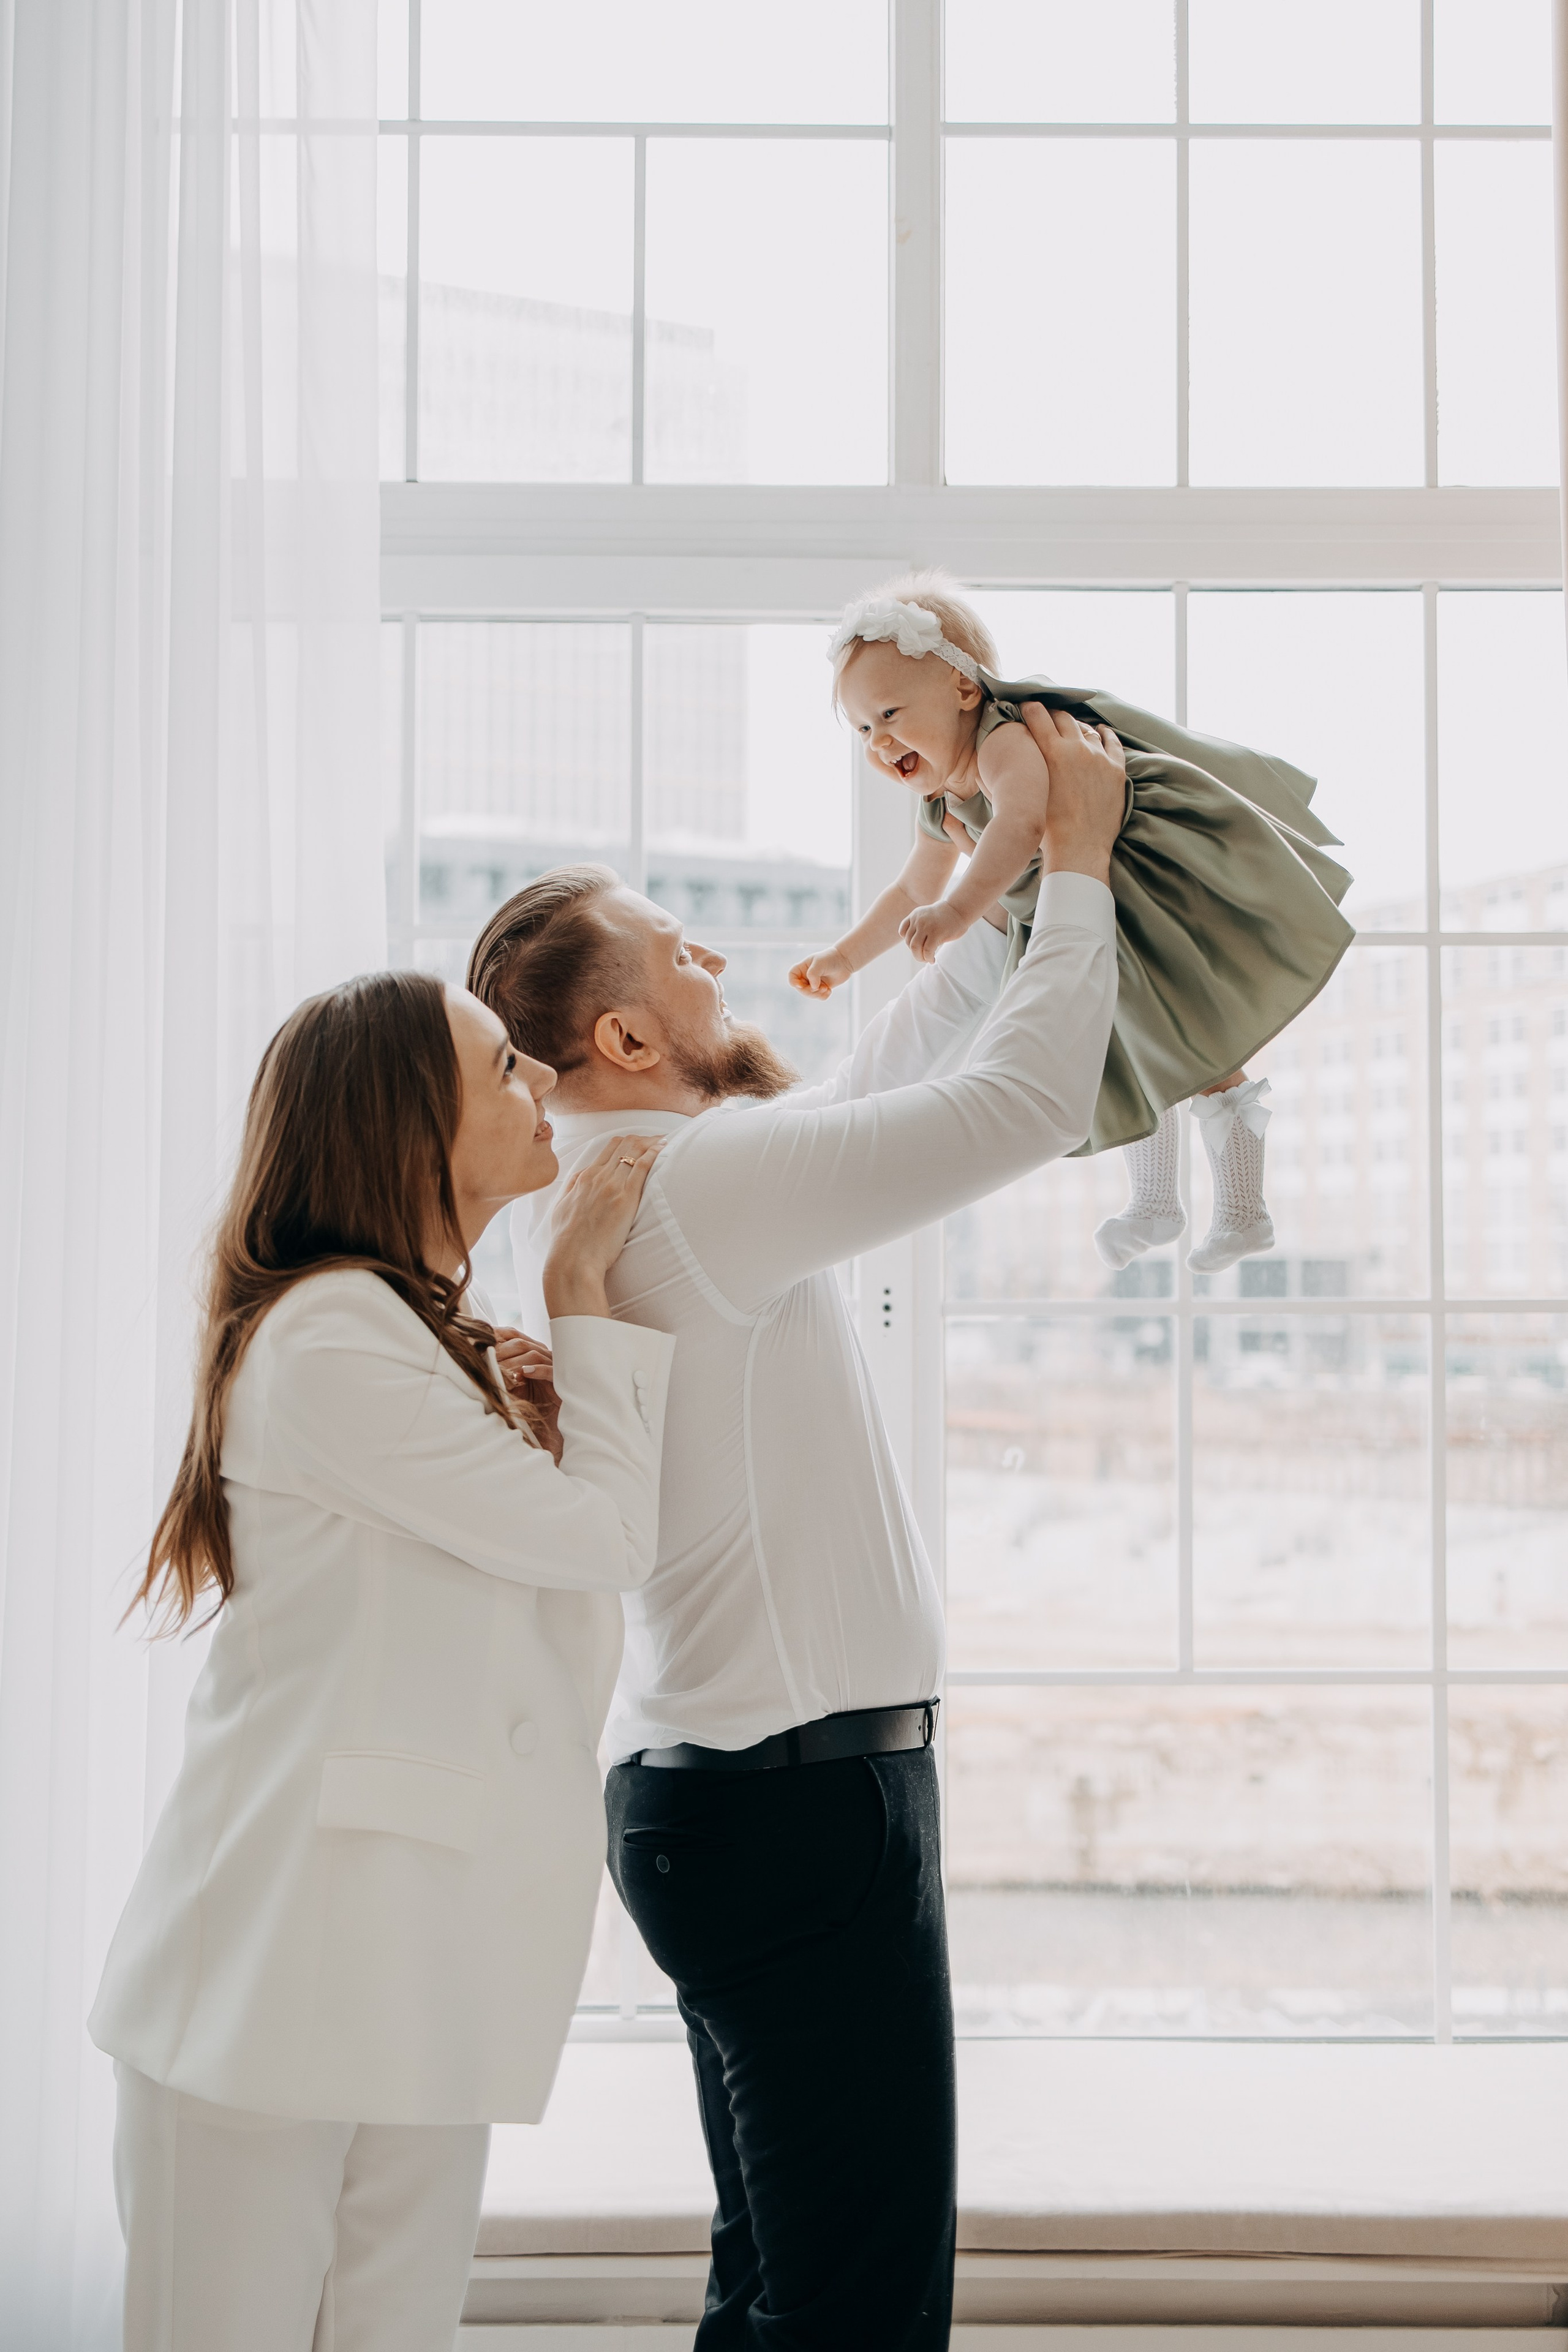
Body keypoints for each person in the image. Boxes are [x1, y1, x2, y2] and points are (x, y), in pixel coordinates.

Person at [466, 706, 1125, 2351]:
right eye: (680, 952)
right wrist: (1090, 862)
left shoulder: (628, 1187)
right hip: (804, 1801)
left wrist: (1005, 882)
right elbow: (1018, 1107)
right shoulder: (696, 1186)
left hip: (730, 1795)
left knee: (778, 2289)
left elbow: (884, 1084)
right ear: (621, 1039)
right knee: (854, 2314)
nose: (715, 960)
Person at [89, 970, 674, 2352]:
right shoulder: (334, 1333)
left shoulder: (399, 1334)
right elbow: (602, 1541)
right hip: (282, 1973)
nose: (537, 1080)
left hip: (410, 1966)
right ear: (410, 1126)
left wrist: (532, 1392)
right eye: (500, 1068)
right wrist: (584, 1290)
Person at [790, 570, 1355, 1275]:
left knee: (1203, 1058)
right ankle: (1155, 1203)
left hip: (1135, 907)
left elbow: (1024, 826)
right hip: (1078, 930)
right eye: (864, 728)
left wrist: (959, 911)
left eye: (891, 715)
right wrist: (845, 958)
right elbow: (912, 885)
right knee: (1118, 1062)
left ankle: (1244, 1210)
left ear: (965, 690)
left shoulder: (1004, 743)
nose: (877, 741)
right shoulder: (937, 804)